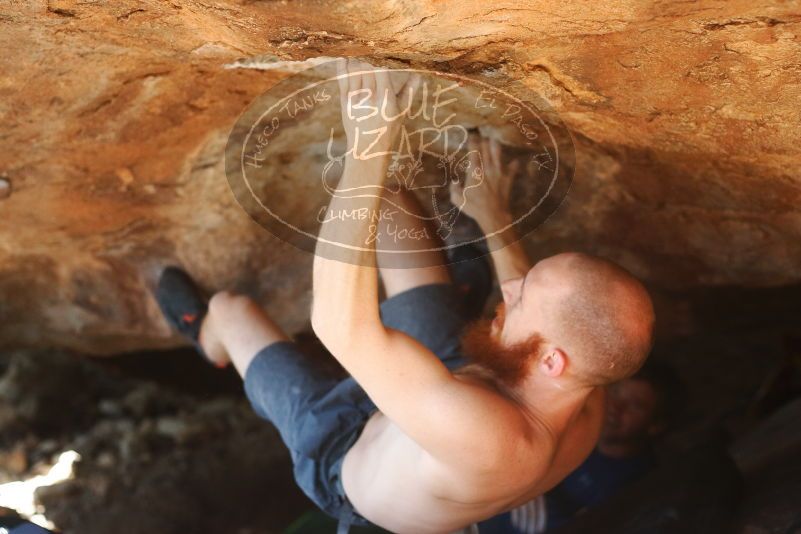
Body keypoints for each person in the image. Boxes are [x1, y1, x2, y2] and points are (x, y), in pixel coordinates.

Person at [153, 60, 655, 534]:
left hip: (340, 446)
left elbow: (339, 325)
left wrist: (368, 147)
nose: (511, 286)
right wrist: (493, 215)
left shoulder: (491, 441)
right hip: (448, 378)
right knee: (388, 205)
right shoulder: (586, 389)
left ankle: (203, 335)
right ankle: (437, 311)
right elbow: (558, 313)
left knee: (232, 310)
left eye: (520, 300)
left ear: (551, 361)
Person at [477, 362, 684, 533]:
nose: (616, 407)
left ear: (655, 425)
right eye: (616, 392)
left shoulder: (639, 484)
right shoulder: (578, 429)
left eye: (635, 405)